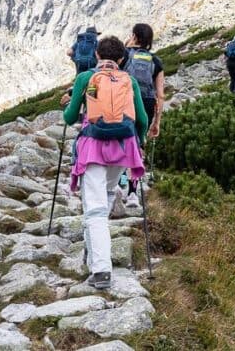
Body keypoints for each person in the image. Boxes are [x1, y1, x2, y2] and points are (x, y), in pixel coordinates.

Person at [62, 36, 147, 290]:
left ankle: (101, 269)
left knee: (95, 209)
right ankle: (92, 253)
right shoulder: (128, 80)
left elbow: (69, 118)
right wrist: (138, 142)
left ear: (97, 55)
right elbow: (141, 118)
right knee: (107, 195)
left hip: (93, 147)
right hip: (123, 148)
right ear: (122, 59)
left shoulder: (84, 78)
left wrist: (66, 105)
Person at [122, 23, 164, 208]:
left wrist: (127, 44)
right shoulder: (156, 61)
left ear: (134, 36)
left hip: (126, 99)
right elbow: (160, 95)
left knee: (121, 140)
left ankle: (118, 181)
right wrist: (157, 122)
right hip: (146, 102)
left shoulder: (123, 55)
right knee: (138, 144)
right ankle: (132, 192)